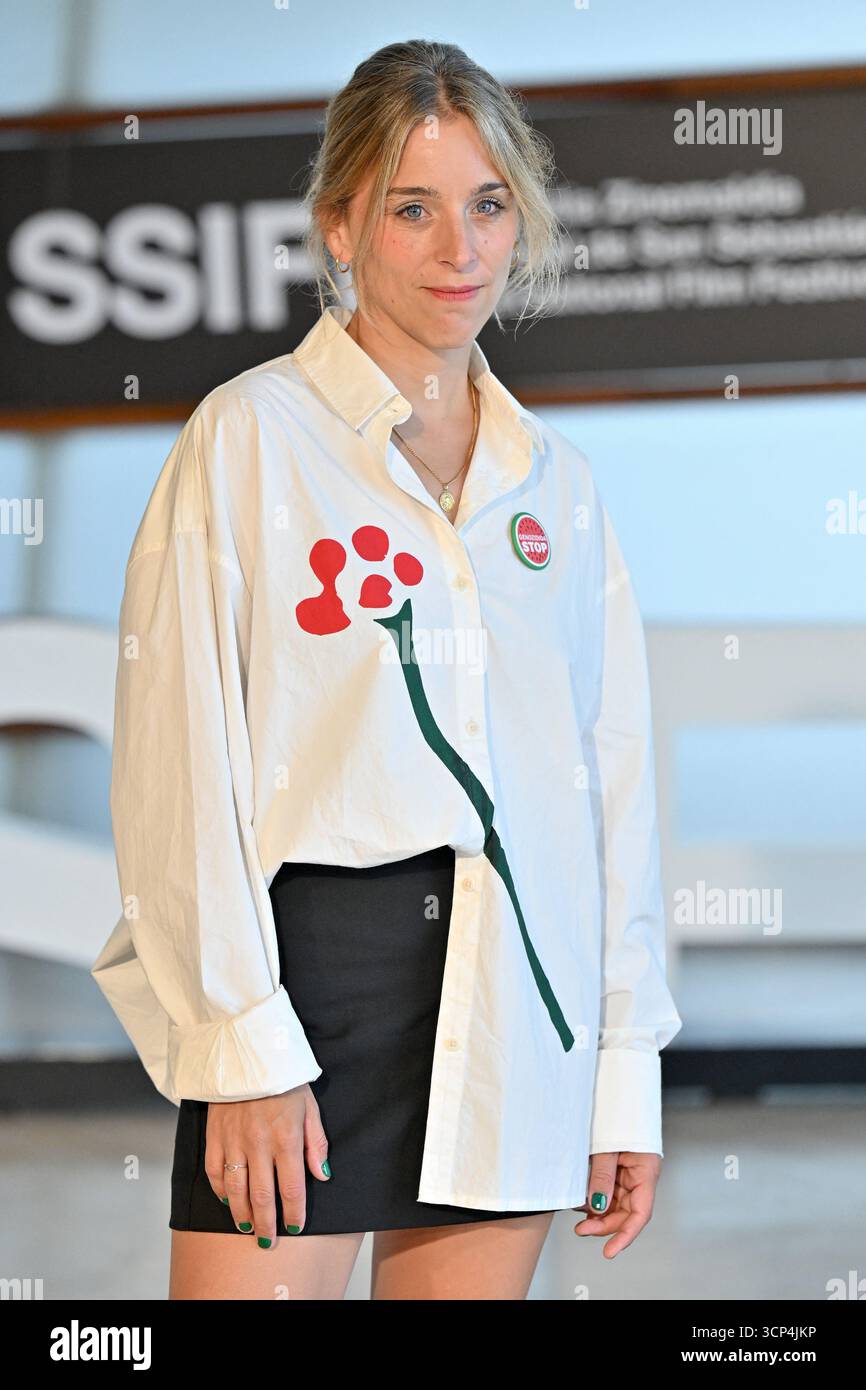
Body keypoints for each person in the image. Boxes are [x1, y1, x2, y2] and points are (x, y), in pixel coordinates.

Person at [91, 38, 683, 1301]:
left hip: (518, 993)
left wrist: (620, 1065)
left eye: (485, 206)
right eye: (411, 209)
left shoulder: (556, 484)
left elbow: (609, 787)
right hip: (305, 989)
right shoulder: (248, 440)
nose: (457, 249)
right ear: (340, 227)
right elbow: (177, 763)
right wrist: (241, 1046)